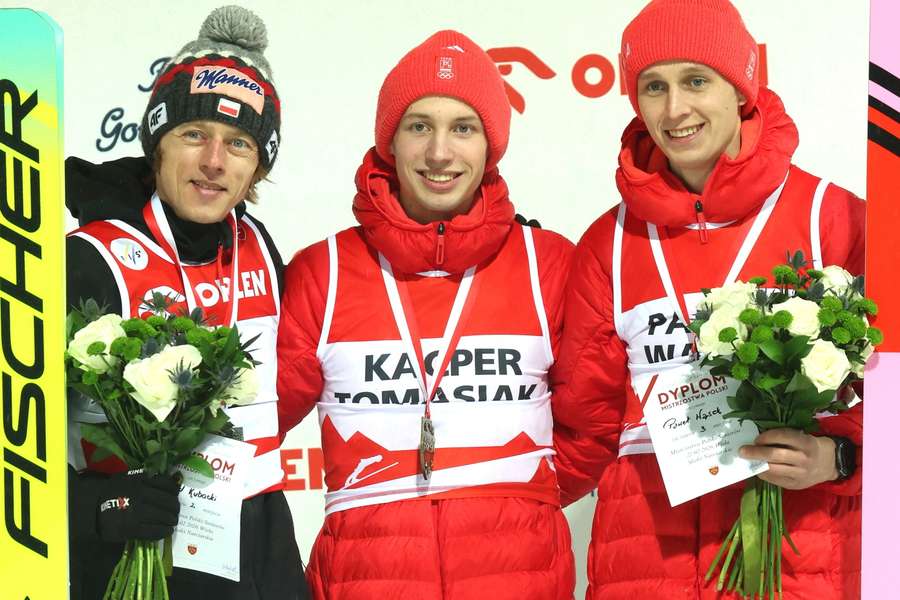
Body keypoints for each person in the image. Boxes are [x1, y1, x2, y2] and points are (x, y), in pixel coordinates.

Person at [551, 1, 865, 598]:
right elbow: (584, 425)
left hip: (803, 550)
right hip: (645, 558)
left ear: (742, 87)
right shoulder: (608, 244)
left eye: (697, 80)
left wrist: (840, 457)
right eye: (653, 86)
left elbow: (889, 397)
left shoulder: (837, 219)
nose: (675, 109)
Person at [277, 30, 575, 600]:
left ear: (491, 145)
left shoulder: (549, 263)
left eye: (463, 128)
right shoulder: (325, 269)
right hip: (364, 578)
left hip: (519, 575)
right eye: (419, 126)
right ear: (390, 142)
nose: (439, 153)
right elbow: (259, 422)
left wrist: (514, 507)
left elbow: (594, 422)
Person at [65, 6, 308, 599]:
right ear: (157, 144)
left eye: (239, 143)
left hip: (261, 549)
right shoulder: (90, 257)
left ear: (258, 168)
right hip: (142, 557)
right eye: (194, 135)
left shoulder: (258, 246)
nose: (214, 162)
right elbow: (16, 446)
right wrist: (101, 506)